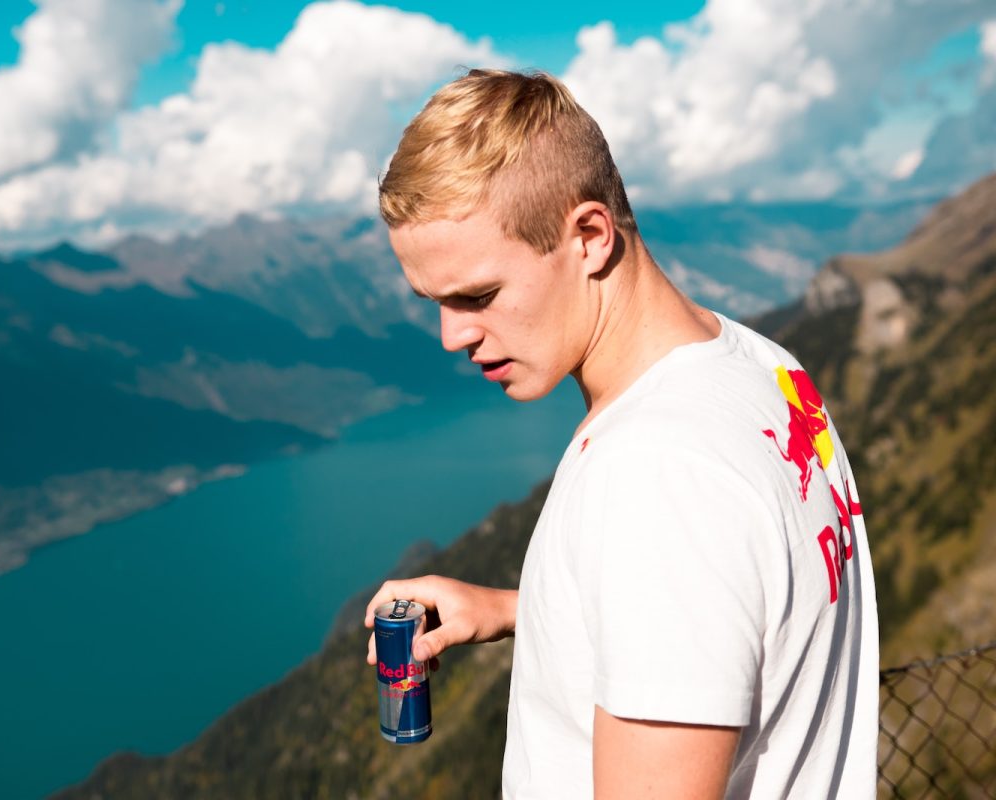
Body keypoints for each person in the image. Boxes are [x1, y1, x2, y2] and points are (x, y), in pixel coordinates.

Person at [363, 69, 878, 799]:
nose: (452, 335)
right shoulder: (763, 368)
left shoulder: (657, 474)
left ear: (589, 236)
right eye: (434, 302)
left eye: (476, 295)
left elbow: (679, 539)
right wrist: (527, 609)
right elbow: (732, 611)